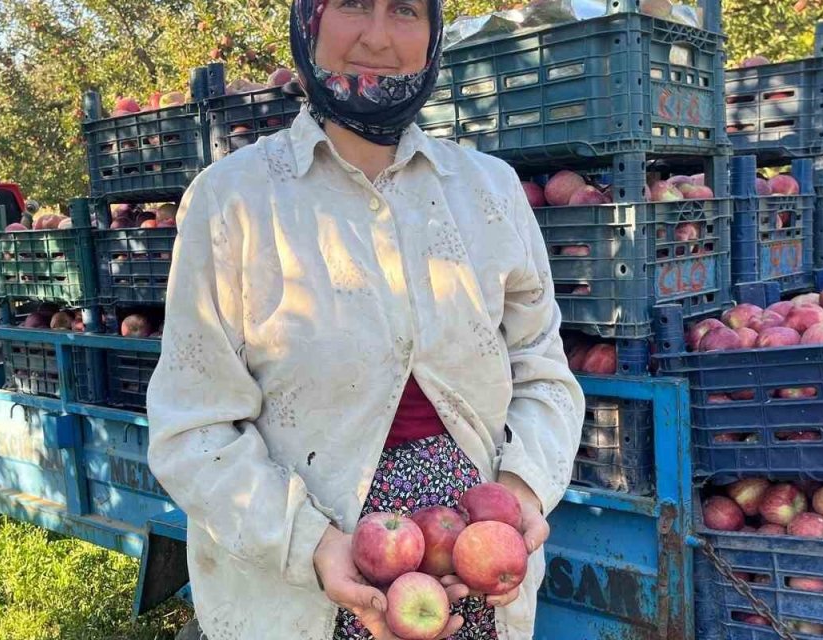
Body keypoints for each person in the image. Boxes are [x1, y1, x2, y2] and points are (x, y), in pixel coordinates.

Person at [146, 0, 584, 637]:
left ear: (434, 34)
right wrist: (312, 546)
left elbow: (543, 372)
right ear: (308, 23)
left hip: (477, 574)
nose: (377, 36)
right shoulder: (232, 202)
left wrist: (520, 490)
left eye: (405, 10)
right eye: (353, 4)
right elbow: (193, 429)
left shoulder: (489, 191)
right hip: (301, 595)